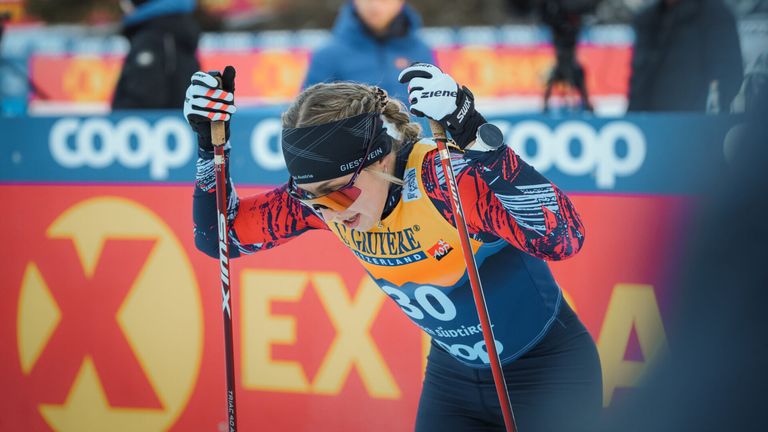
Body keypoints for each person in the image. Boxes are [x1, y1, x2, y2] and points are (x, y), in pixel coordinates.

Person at [185, 63, 602, 431]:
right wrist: (209, 149)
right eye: (311, 199)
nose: (329, 214)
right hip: (453, 379)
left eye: (338, 195)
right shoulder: (326, 203)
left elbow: (561, 237)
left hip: (546, 373)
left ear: (381, 159)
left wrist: (474, 132)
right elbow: (221, 239)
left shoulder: (441, 181)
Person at [303, 0, 435, 103]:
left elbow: (436, 109)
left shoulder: (421, 52)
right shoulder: (327, 55)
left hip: (415, 137)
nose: (375, 6)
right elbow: (307, 115)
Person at [627, 0, 743, 112]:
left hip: (696, 121)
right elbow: (639, 80)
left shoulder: (715, 15)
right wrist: (632, 120)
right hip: (653, 122)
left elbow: (728, 76)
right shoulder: (647, 19)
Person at [112, 0, 200, 109]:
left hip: (146, 123)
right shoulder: (177, 30)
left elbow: (143, 96)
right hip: (177, 121)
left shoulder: (151, 37)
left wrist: (117, 120)